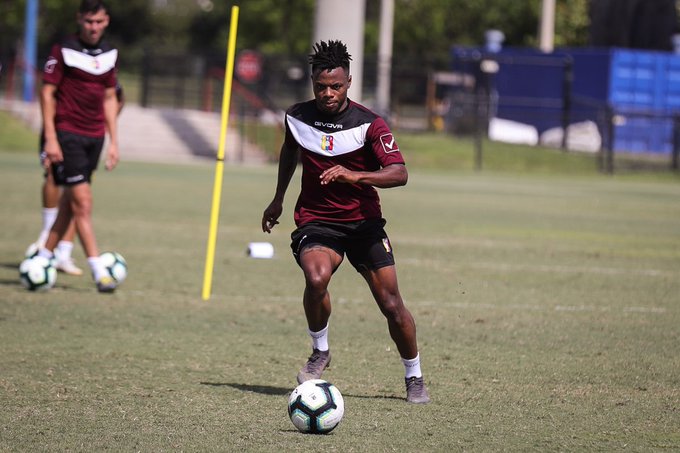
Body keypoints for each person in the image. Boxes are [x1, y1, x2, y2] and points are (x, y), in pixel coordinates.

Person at [261, 40, 430, 404]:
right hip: (317, 221)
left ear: (349, 82)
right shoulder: (297, 117)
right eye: (320, 86)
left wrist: (355, 177)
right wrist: (278, 198)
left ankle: (413, 375)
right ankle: (320, 351)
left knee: (391, 304)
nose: (328, 93)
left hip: (364, 224)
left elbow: (399, 173)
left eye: (335, 86)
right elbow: (290, 150)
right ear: (311, 82)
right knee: (316, 276)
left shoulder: (370, 124)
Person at [35, 0, 121, 293]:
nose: (93, 27)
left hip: (94, 137)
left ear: (106, 21)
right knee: (82, 202)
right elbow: (47, 94)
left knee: (71, 204)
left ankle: (42, 259)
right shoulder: (63, 51)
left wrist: (114, 142)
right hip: (67, 133)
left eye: (98, 21)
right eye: (88, 22)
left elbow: (111, 98)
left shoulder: (111, 54)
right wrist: (50, 137)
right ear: (79, 20)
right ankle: (99, 271)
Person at [26, 83, 124, 276]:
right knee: (56, 180)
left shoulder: (107, 67)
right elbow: (48, 93)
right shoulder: (66, 58)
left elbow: (116, 99)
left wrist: (110, 135)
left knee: (76, 196)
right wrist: (51, 136)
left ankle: (61, 252)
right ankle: (48, 238)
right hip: (63, 133)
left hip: (89, 137)